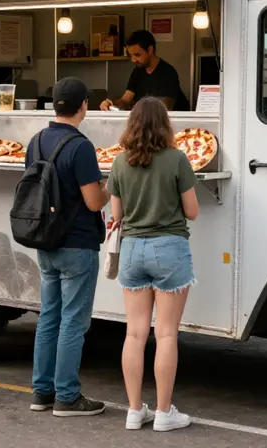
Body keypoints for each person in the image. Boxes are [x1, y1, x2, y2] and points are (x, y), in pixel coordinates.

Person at [107, 97, 200, 431]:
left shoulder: (119, 163)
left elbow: (116, 216)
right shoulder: (178, 160)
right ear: (165, 124)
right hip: (170, 250)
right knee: (166, 335)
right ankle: (163, 413)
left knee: (134, 334)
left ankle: (134, 410)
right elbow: (192, 211)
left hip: (132, 250)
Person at [28, 76, 110, 417]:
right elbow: (93, 202)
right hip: (77, 243)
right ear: (83, 106)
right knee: (74, 322)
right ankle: (67, 396)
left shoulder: (36, 141)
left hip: (45, 240)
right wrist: (108, 185)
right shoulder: (81, 146)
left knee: (49, 317)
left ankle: (41, 391)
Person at [100, 30, 189, 112]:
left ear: (150, 50)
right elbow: (125, 100)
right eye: (130, 55)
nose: (133, 60)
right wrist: (111, 104)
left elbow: (165, 106)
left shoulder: (168, 73)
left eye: (137, 55)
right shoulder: (137, 72)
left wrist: (136, 106)